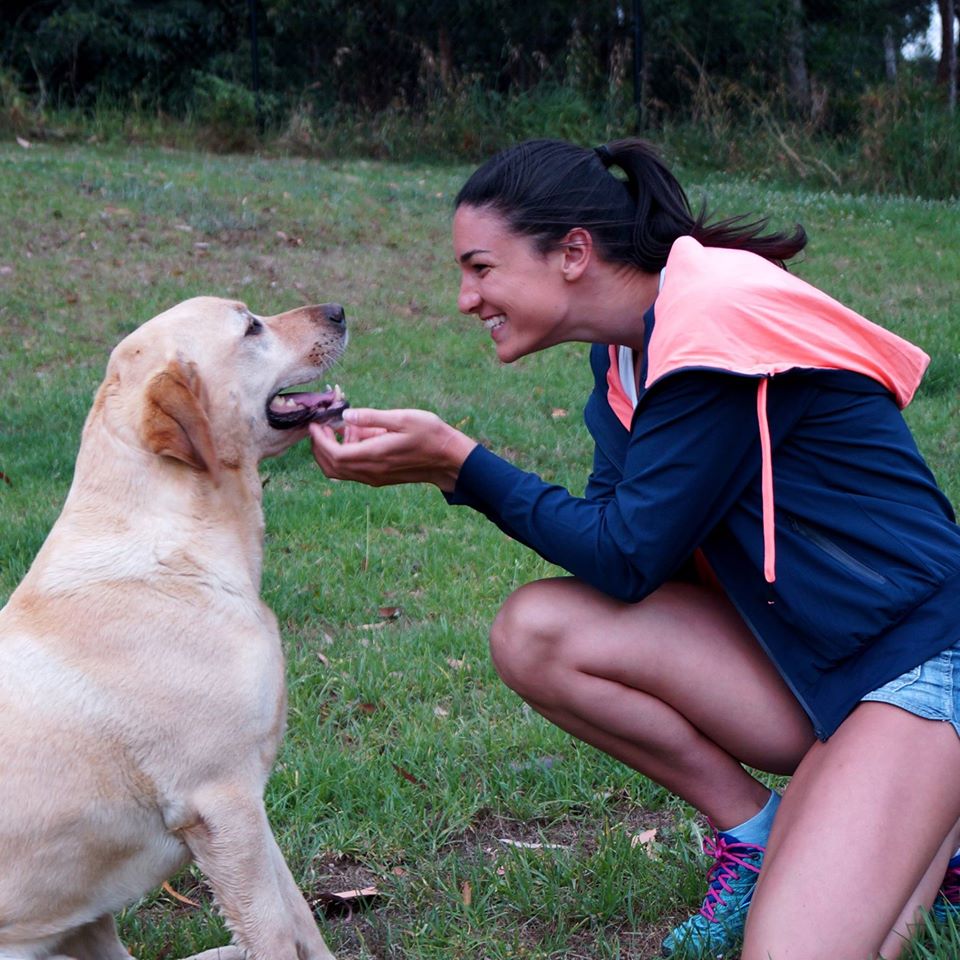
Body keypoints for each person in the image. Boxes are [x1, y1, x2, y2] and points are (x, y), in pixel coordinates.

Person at [309, 137, 960, 960]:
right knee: (538, 630)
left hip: (918, 658)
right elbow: (617, 554)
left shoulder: (713, 323)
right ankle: (763, 834)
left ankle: (924, 818)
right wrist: (451, 469)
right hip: (812, 662)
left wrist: (460, 465)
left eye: (481, 269)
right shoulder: (625, 353)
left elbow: (624, 555)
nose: (466, 299)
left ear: (573, 252)